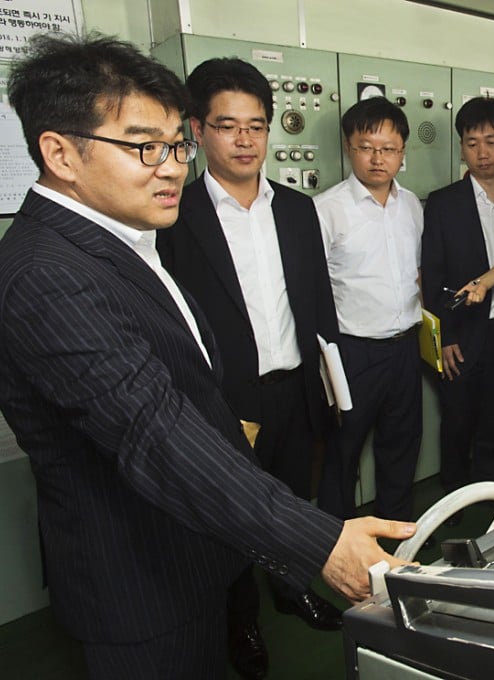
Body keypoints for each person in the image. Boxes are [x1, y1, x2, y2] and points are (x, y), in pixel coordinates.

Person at [0, 33, 414, 679]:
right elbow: (151, 430)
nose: (169, 166)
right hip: (138, 576)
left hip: (184, 542)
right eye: (144, 146)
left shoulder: (118, 240)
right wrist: (321, 541)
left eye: (173, 146)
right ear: (60, 152)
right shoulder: (50, 272)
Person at [155, 57, 343, 679]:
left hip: (294, 390)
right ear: (198, 130)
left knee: (294, 500)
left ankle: (291, 592)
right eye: (228, 125)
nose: (244, 139)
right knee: (230, 520)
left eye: (257, 126)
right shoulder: (176, 218)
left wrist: (330, 383)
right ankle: (242, 623)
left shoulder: (296, 209)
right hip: (225, 403)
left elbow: (318, 303)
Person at [315, 97, 424, 523]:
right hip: (352, 353)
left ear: (402, 153)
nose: (378, 158)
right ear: (348, 147)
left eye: (389, 148)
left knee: (401, 449)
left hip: (405, 350)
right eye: (366, 146)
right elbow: (314, 289)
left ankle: (396, 536)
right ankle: (334, 546)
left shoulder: (411, 205)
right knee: (342, 455)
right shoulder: (326, 210)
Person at [420, 97, 494, 512]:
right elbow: (433, 274)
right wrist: (444, 336)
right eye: (472, 142)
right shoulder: (443, 202)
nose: (482, 152)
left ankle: (491, 499)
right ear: (462, 148)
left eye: (491, 141)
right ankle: (454, 503)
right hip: (462, 332)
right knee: (457, 422)